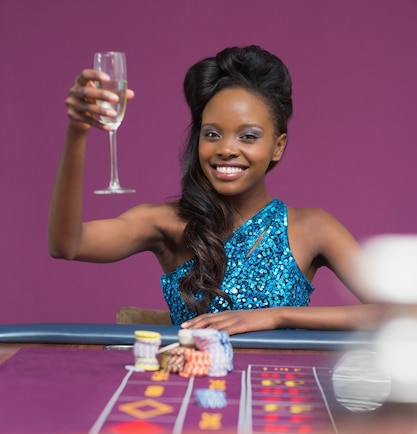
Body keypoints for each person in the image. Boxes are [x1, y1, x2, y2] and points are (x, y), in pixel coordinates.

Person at [49, 45, 384, 335]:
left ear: (278, 146)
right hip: (190, 392)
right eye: (212, 134)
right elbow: (67, 244)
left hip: (277, 396)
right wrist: (77, 131)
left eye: (248, 136)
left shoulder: (313, 227)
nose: (226, 149)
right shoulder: (166, 224)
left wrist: (276, 317)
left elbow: (400, 313)